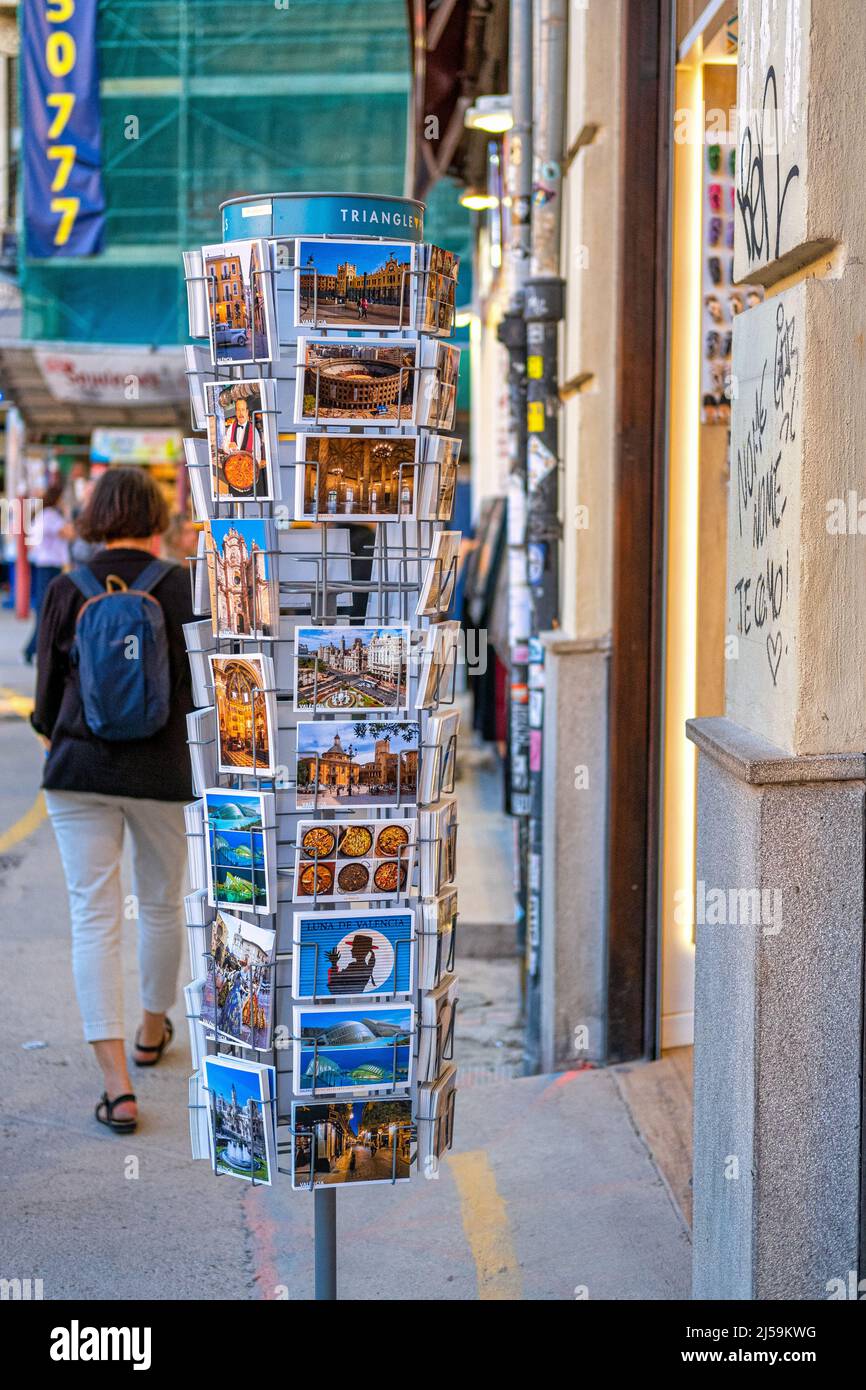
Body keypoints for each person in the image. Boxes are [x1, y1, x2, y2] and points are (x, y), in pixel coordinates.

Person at [31, 467, 195, 1134]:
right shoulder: (181, 584)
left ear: (95, 515)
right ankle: (152, 1031)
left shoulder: (67, 588)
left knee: (93, 917)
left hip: (80, 770)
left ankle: (118, 1089)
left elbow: (44, 699)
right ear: (156, 517)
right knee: (160, 903)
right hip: (162, 772)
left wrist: (61, 731)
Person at [24, 482, 71, 664]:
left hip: (43, 566)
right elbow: (69, 533)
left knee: (45, 608)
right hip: (50, 567)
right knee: (48, 610)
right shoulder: (51, 516)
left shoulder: (42, 516)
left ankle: (33, 648)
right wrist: (67, 514)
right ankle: (34, 648)